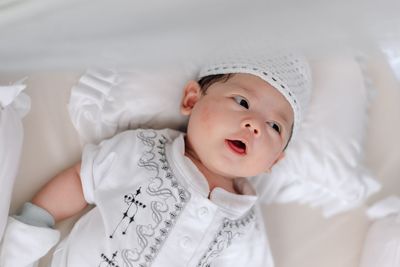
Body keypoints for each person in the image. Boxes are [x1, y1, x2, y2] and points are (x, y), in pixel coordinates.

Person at [0, 52, 312, 267]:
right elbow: (80, 181)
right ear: (192, 100)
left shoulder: (245, 226)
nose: (254, 124)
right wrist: (29, 231)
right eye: (242, 101)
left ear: (275, 161)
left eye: (275, 126)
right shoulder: (144, 152)